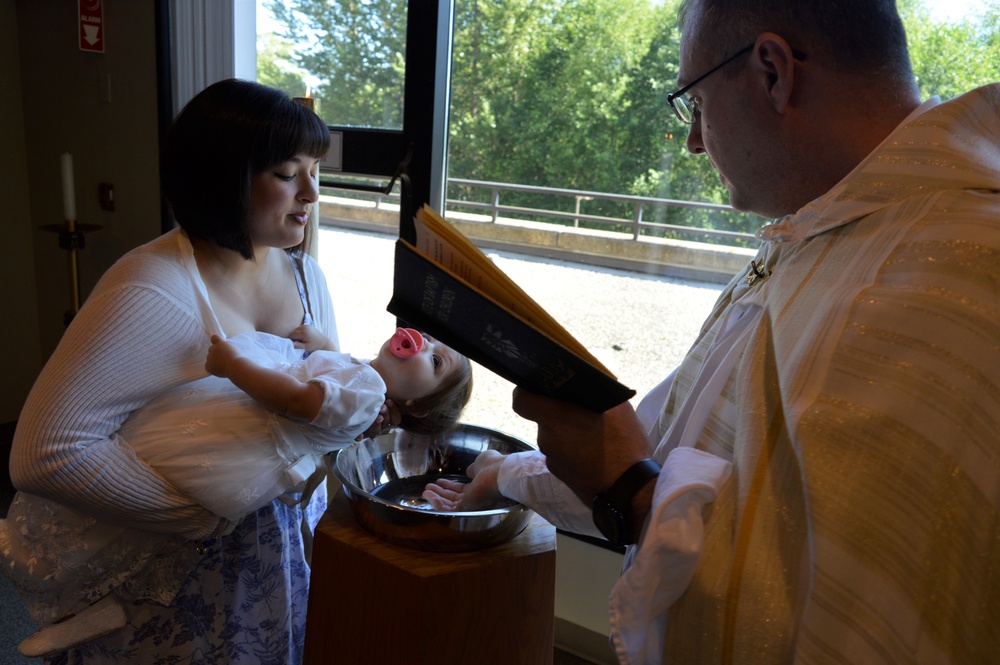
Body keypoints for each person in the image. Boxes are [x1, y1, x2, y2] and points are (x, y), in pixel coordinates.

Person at [425, 1, 1000, 663]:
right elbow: (665, 453)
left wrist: (631, 495)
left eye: (694, 102)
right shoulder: (813, 237)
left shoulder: (965, 282)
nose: (694, 140)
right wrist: (505, 471)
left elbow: (831, 619)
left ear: (773, 72)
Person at [1, 78, 385, 664]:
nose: (312, 192)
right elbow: (44, 451)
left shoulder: (306, 277)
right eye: (287, 173)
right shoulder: (153, 289)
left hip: (274, 548)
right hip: (178, 567)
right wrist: (195, 518)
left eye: (314, 168)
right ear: (222, 177)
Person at [5, 324, 471, 657]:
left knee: (126, 482)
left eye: (434, 361)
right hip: (242, 456)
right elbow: (338, 385)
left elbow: (296, 399)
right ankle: (90, 606)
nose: (425, 343)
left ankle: (73, 597)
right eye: (432, 339)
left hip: (237, 443)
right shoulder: (368, 391)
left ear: (414, 405)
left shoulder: (369, 391)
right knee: (147, 530)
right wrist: (325, 346)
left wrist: (233, 365)